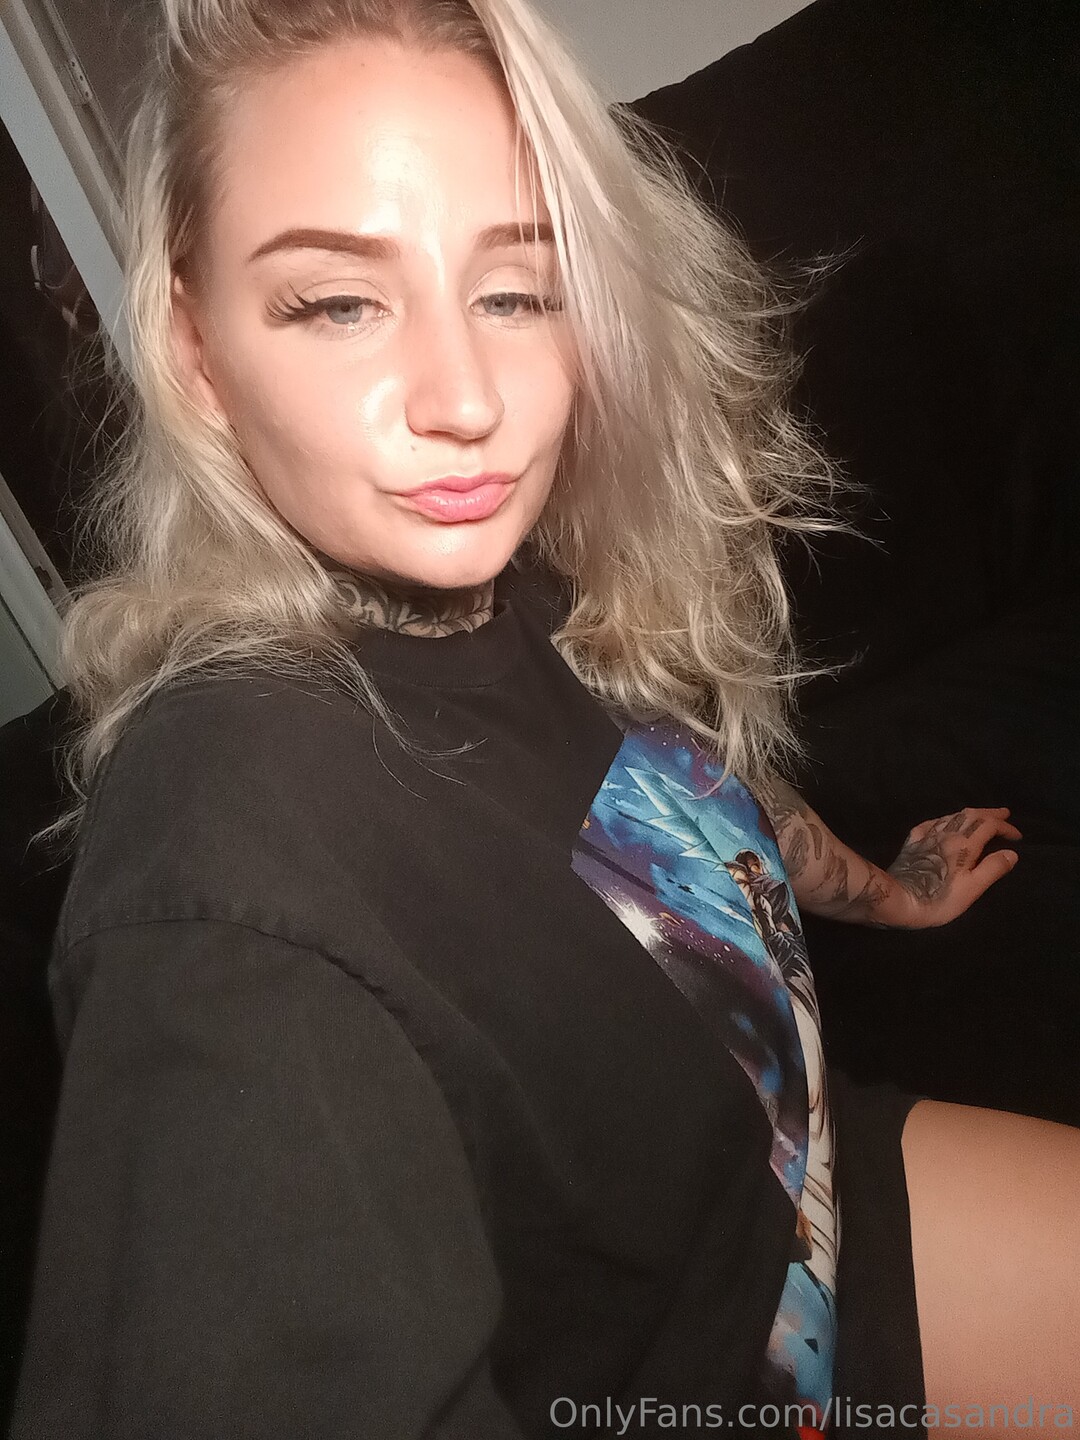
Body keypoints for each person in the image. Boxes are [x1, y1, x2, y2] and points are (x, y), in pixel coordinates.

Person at [8, 1, 1079, 1436]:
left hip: (801, 1209)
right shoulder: (223, 859)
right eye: (339, 303)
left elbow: (679, 802)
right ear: (196, 349)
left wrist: (894, 892)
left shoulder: (508, 582)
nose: (468, 400)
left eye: (515, 290)